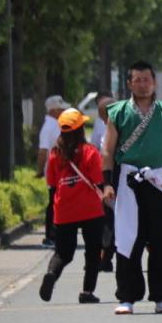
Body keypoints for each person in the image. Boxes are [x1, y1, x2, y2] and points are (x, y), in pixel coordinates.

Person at [101, 61, 162, 315]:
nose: (142, 84)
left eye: (147, 79)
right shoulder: (117, 112)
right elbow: (108, 150)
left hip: (160, 181)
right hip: (129, 180)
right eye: (137, 80)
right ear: (129, 83)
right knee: (128, 238)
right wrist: (107, 183)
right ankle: (127, 298)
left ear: (154, 83)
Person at [40, 108, 105, 304]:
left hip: (64, 209)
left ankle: (52, 273)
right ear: (81, 128)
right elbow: (98, 180)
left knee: (63, 252)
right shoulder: (90, 152)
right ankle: (87, 291)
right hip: (90, 209)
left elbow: (51, 185)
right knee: (93, 251)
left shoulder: (54, 154)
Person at [37, 94, 70, 247]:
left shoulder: (55, 125)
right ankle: (50, 236)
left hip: (60, 172)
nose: (63, 111)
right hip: (53, 173)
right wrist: (40, 170)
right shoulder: (48, 127)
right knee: (53, 203)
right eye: (61, 109)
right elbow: (43, 151)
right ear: (54, 110)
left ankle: (57, 234)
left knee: (58, 203)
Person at [89, 91, 116, 272]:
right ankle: (106, 257)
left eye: (104, 117)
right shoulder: (103, 128)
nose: (104, 121)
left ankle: (107, 256)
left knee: (111, 221)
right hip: (106, 180)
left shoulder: (116, 128)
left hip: (115, 180)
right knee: (109, 221)